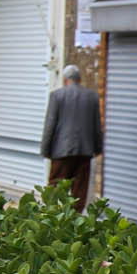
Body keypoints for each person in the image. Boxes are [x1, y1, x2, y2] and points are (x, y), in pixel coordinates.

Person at [40, 64, 103, 211]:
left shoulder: (57, 95)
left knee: (55, 187)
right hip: (85, 151)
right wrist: (97, 148)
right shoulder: (92, 96)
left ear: (65, 79)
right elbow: (96, 125)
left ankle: (53, 216)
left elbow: (50, 125)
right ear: (79, 79)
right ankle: (76, 218)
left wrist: (45, 149)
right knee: (79, 191)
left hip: (61, 151)